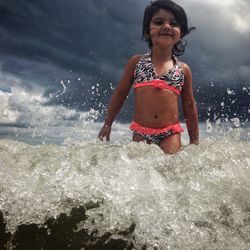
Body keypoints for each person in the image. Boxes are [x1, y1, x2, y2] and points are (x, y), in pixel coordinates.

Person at [98, 0, 199, 154]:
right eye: (159, 22)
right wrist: (107, 124)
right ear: (147, 31)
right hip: (141, 131)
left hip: (170, 133)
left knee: (170, 169)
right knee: (139, 170)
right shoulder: (136, 62)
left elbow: (189, 106)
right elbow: (120, 94)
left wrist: (194, 140)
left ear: (181, 33)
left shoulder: (183, 69)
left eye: (173, 23)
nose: (166, 26)